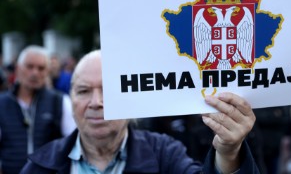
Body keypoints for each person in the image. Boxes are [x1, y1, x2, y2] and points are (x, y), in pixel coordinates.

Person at [20, 50, 259, 173]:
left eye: (109, 90)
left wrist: (228, 154)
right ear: (70, 99)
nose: (96, 102)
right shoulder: (42, 164)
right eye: (83, 91)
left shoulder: (165, 155)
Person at [0, 45, 76, 174]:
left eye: (41, 68)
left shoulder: (61, 101)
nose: (35, 73)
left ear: (47, 72)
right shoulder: (2, 103)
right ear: (18, 69)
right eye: (29, 67)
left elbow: (74, 144)